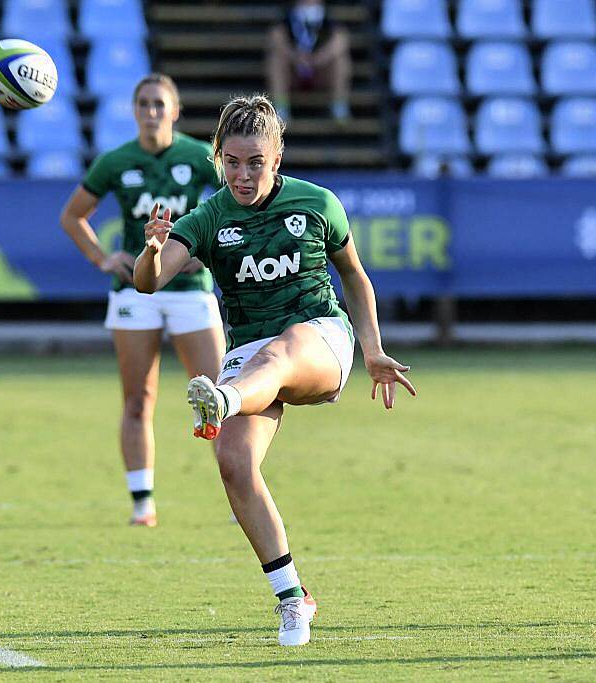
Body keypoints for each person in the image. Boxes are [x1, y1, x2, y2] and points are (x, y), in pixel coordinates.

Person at [135, 94, 414, 646]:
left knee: (280, 351)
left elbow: (355, 277)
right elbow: (150, 281)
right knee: (233, 461)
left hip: (320, 340)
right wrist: (151, 249)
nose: (242, 174)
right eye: (232, 162)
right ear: (218, 158)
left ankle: (225, 400)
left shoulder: (316, 204)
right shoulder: (211, 215)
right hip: (250, 355)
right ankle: (292, 597)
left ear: (276, 160)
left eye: (255, 162)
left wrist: (375, 348)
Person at [60, 74, 225, 527]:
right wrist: (101, 257)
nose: (151, 112)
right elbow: (73, 216)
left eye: (159, 104)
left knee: (218, 396)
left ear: (174, 111)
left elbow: (240, 202)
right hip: (137, 290)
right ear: (134, 110)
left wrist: (207, 249)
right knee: (137, 400)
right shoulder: (117, 161)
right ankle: (142, 502)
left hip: (191, 291)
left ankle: (238, 492)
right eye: (144, 104)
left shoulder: (198, 156)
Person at [267, 0, 352, 122]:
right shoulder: (287, 18)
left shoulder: (328, 19)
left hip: (320, 72)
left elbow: (341, 39)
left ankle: (339, 105)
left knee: (340, 60)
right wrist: (296, 57)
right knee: (275, 59)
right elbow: (274, 38)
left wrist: (319, 58)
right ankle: (281, 107)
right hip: (293, 73)